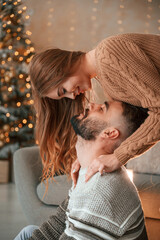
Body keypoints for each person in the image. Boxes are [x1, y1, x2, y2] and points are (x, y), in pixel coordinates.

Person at [29, 33, 160, 185]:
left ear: (60, 69)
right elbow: (143, 125)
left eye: (63, 90)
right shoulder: (107, 80)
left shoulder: (109, 53)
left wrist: (118, 157)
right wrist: (88, 158)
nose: (71, 97)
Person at [14, 101, 148, 240]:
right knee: (29, 232)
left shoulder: (100, 191)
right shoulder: (89, 171)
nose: (91, 104)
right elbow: (60, 222)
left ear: (109, 133)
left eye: (102, 109)